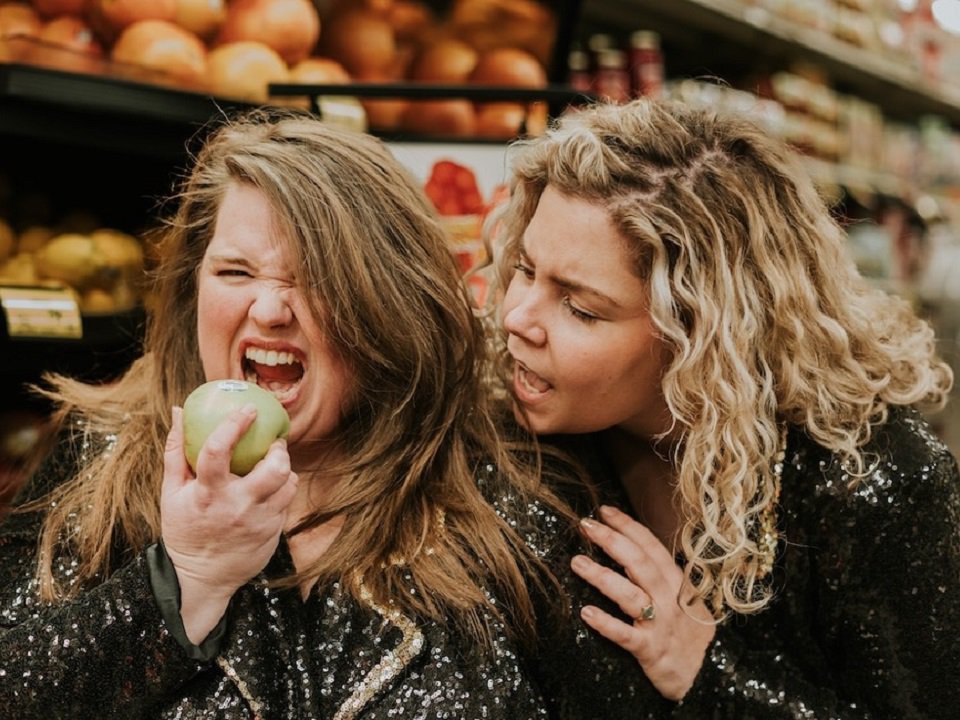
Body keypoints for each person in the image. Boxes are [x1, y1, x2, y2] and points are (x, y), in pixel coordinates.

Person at [0, 108, 668, 719]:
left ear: (388, 307)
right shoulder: (103, 452)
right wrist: (184, 581)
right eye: (235, 273)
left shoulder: (521, 487)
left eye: (314, 278)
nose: (268, 310)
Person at [491, 98, 960, 718]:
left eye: (580, 308)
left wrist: (708, 674)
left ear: (702, 333)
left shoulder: (873, 481)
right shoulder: (516, 423)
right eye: (525, 270)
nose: (515, 319)